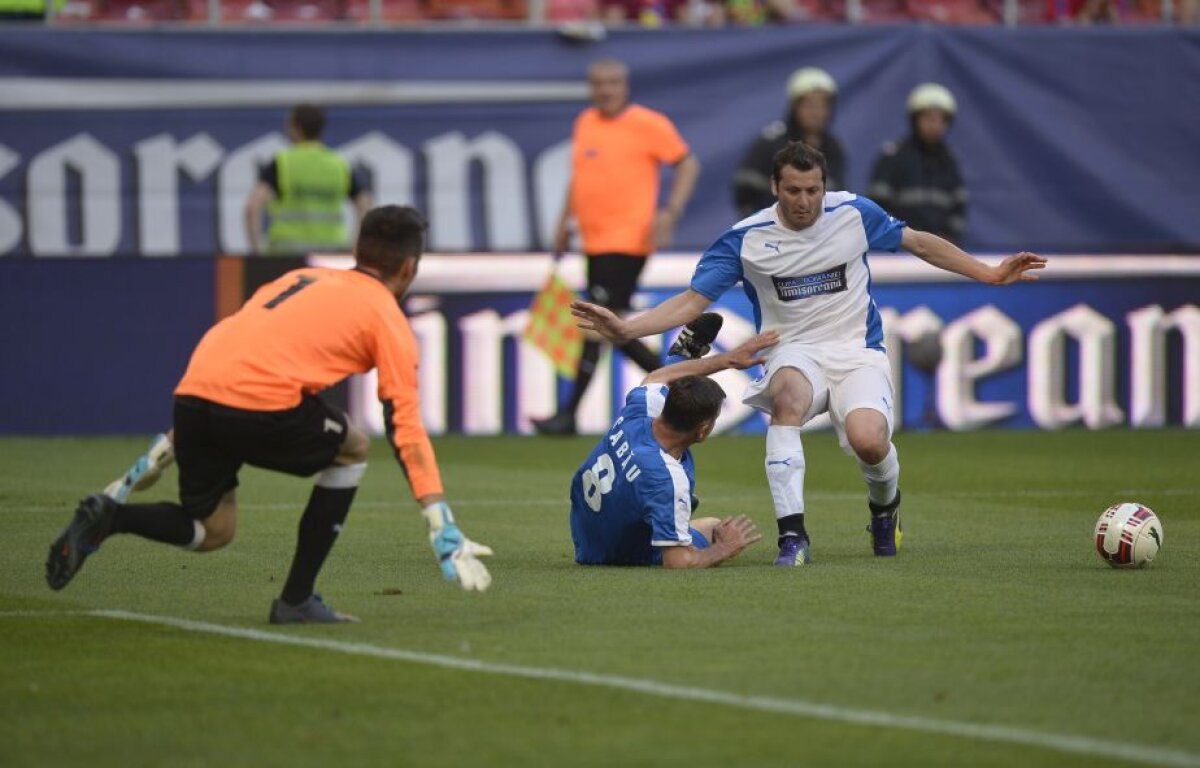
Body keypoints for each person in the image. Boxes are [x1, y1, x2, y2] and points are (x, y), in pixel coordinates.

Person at [572, 141, 1046, 566]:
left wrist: (987, 273)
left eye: (813, 190)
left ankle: (885, 509)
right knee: (787, 400)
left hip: (857, 350)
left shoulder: (854, 214)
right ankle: (793, 536)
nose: (804, 201)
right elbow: (692, 302)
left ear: (825, 186)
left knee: (868, 441)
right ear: (775, 187)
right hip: (792, 350)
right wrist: (627, 328)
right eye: (794, 191)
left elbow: (919, 243)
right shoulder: (746, 239)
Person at [46, 206, 493, 623]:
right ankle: (297, 599)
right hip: (258, 407)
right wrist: (439, 520)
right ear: (409, 268)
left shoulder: (297, 279)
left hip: (193, 398)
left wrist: (160, 452)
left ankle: (111, 518)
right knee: (353, 446)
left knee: (214, 529)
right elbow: (404, 424)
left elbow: (232, 365)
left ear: (359, 251)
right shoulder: (386, 316)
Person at [532, 58, 701, 436]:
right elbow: (581, 178)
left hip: (628, 241)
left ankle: (569, 415)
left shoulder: (648, 123)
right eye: (598, 83)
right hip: (594, 241)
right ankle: (683, 388)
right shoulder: (586, 122)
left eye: (612, 83)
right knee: (612, 327)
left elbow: (688, 164)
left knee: (601, 323)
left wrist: (670, 212)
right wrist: (564, 223)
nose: (605, 90)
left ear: (625, 86)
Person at [570, 330, 776, 568]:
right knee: (715, 530)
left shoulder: (642, 410)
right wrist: (723, 549)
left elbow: (658, 376)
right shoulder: (666, 478)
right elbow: (677, 562)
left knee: (708, 523)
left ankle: (680, 358)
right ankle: (667, 517)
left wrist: (727, 359)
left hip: (585, 531)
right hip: (613, 554)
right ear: (703, 430)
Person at [244, 103, 373, 256]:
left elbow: (252, 207)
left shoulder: (282, 163)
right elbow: (365, 204)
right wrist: (355, 246)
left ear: (296, 127)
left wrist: (257, 251)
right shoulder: (339, 164)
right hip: (331, 253)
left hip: (287, 253)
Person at [733, 67, 846, 219]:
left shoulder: (834, 148)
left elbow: (838, 198)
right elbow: (746, 193)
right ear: (794, 107)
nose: (817, 112)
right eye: (810, 105)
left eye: (823, 105)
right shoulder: (771, 143)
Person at [868, 83, 968, 246]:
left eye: (941, 120)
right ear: (914, 120)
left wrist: (949, 237)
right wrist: (900, 236)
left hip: (940, 250)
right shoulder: (894, 156)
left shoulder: (950, 160)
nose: (935, 125)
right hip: (900, 248)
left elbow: (959, 206)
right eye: (928, 118)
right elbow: (878, 205)